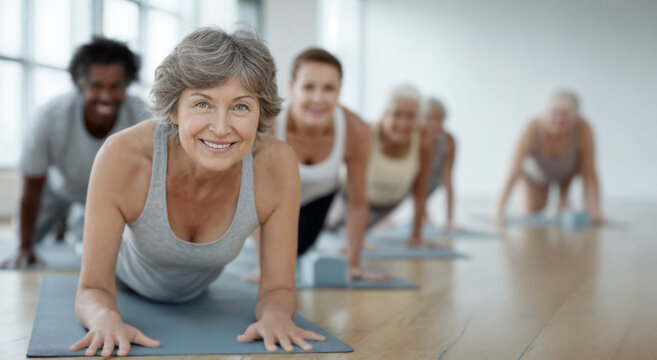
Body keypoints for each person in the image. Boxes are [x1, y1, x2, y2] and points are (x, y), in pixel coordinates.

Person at [70, 27, 325, 356]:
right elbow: (92, 289)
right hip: (124, 278)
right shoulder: (123, 156)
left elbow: (278, 286)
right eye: (203, 103)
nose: (221, 128)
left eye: (241, 107)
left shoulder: (276, 165)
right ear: (175, 109)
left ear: (262, 112)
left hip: (197, 292)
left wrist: (276, 314)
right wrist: (104, 317)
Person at [1, 37, 148, 269]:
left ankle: (73, 224)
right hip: (57, 189)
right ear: (81, 84)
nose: (106, 96)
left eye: (116, 86)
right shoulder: (48, 117)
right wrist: (24, 247)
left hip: (112, 196)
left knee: (100, 248)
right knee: (24, 242)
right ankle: (59, 220)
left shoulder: (143, 118)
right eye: (96, 86)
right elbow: (32, 186)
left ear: (127, 84)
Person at [248, 48, 387, 282]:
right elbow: (253, 198)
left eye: (328, 88)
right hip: (273, 200)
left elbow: (357, 202)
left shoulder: (356, 130)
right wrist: (267, 270)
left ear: (339, 90)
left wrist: (353, 265)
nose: (318, 99)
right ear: (292, 88)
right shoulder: (268, 125)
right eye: (309, 87)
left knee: (298, 249)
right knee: (278, 260)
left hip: (318, 198)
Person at [495, 90, 606, 225]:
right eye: (554, 113)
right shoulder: (531, 128)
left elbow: (589, 173)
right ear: (545, 112)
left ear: (576, 116)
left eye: (565, 114)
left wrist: (595, 211)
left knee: (566, 213)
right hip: (537, 177)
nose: (559, 119)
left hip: (567, 176)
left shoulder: (583, 129)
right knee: (530, 212)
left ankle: (564, 199)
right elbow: (513, 170)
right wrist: (498, 211)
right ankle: (554, 202)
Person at [421, 98, 457, 231]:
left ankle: (426, 217)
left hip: (433, 179)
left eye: (439, 119)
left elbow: (448, 178)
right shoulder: (416, 137)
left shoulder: (448, 140)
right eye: (430, 118)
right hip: (414, 179)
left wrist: (449, 220)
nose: (434, 123)